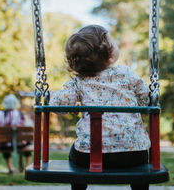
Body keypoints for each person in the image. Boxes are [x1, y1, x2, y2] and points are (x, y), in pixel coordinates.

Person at [49, 25, 151, 190]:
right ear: (109, 54)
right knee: (140, 166)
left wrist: (49, 97)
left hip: (89, 155)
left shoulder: (78, 82)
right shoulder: (125, 73)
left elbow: (60, 107)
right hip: (134, 153)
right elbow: (145, 99)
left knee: (73, 154)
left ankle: (79, 188)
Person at [0, 94, 32, 174]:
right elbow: (24, 126)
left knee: (4, 142)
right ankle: (27, 167)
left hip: (5, 144)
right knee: (27, 143)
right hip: (20, 143)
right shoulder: (19, 114)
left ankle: (10, 168)